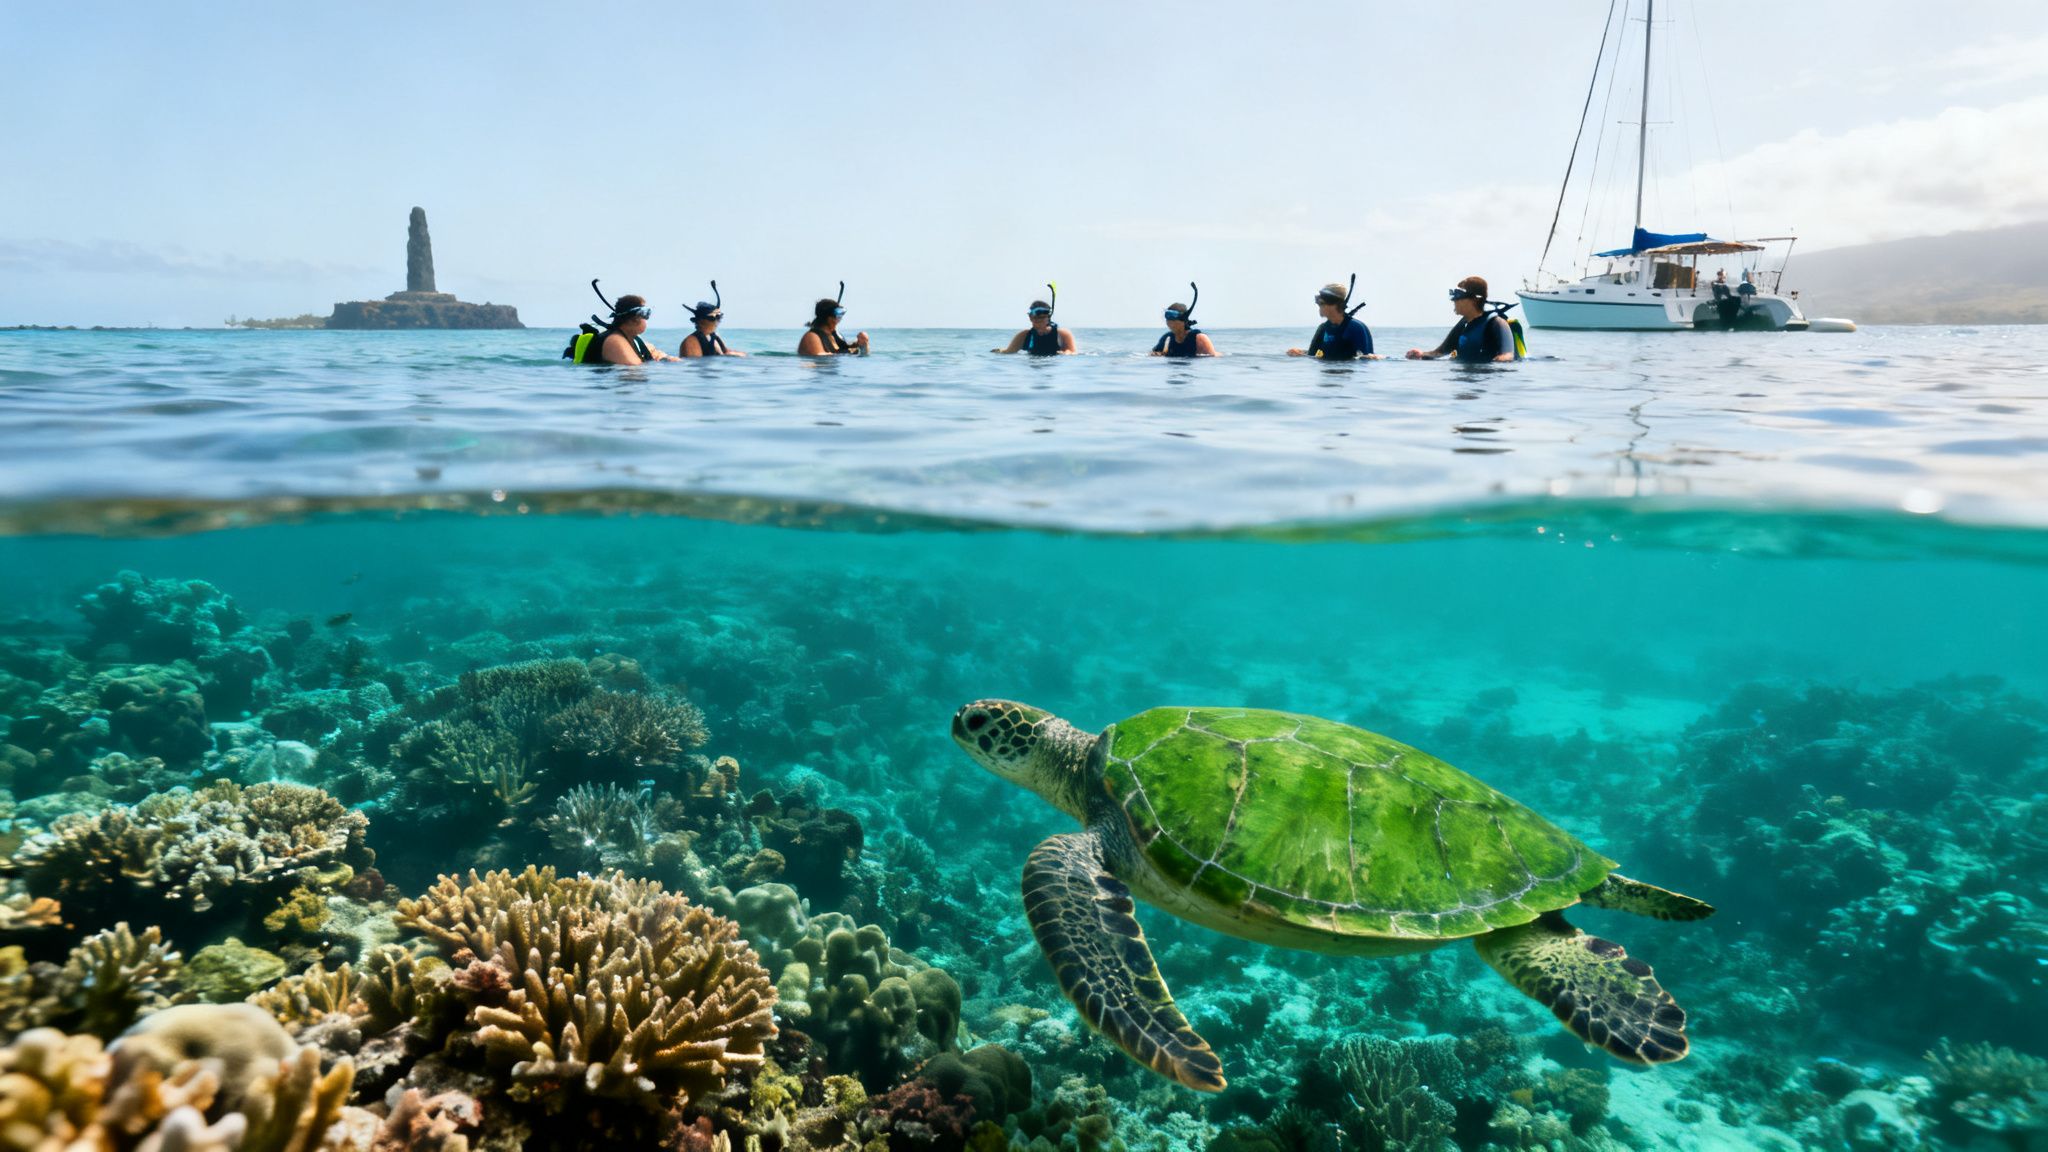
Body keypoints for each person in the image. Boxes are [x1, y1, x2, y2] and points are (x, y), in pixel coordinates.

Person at [1406, 276, 1519, 363]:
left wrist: (1498, 362)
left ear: (1474, 300)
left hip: (1486, 382)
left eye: (1458, 295)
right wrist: (1421, 354)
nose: (1453, 300)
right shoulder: (1463, 325)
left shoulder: (1497, 323)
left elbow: (1508, 355)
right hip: (1465, 379)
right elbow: (1440, 352)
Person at [563, 290, 674, 365]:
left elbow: (647, 360)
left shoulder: (634, 340)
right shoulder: (615, 340)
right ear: (634, 318)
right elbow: (634, 370)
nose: (647, 319)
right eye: (646, 314)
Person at [1286, 280, 1377, 359]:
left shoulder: (1356, 327)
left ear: (1334, 305)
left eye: (1321, 304)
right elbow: (1312, 355)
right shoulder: (1323, 329)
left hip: (1347, 376)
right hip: (1327, 376)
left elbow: (1366, 360)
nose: (1319, 308)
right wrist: (1300, 353)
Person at [679, 281, 745, 357]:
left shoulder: (714, 336)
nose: (717, 322)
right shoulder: (691, 342)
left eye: (719, 317)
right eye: (712, 318)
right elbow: (694, 365)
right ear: (700, 321)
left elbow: (726, 351)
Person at [993, 298, 1076, 355]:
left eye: (1042, 317)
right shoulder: (1024, 335)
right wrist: (997, 351)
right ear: (1030, 318)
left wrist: (1066, 353)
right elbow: (1009, 352)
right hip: (1032, 366)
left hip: (1054, 367)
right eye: (1035, 318)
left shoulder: (1062, 334)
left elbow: (1072, 352)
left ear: (1049, 317)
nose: (1038, 321)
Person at [1151, 288, 1215, 357]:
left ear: (1183, 320)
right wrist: (1156, 354)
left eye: (1173, 319)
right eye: (1167, 319)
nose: (1169, 322)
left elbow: (1211, 361)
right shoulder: (1167, 338)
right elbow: (1153, 353)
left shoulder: (1199, 338)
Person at [798, 293, 868, 356]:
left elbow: (845, 347)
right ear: (829, 318)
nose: (840, 320)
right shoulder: (811, 337)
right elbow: (818, 356)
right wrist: (848, 352)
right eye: (838, 316)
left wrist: (862, 344)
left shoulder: (834, 335)